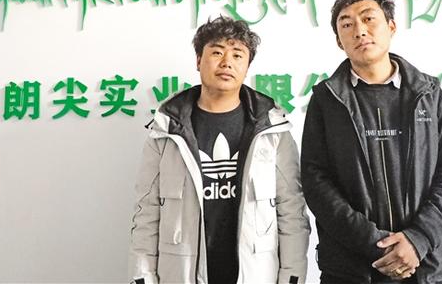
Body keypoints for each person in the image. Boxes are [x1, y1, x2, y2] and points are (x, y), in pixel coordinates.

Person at [129, 15, 310, 284]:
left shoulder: (272, 131)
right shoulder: (166, 130)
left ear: (247, 66)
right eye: (216, 52)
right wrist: (142, 277)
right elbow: (146, 214)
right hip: (181, 275)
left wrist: (292, 278)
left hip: (255, 275)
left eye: (237, 55)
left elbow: (292, 213)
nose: (227, 62)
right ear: (198, 60)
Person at [301, 0, 442, 284]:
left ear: (391, 27)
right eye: (347, 25)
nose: (360, 31)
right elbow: (316, 182)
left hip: (428, 265)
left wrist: (418, 239)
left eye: (368, 19)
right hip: (353, 271)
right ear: (339, 41)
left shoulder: (428, 94)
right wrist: (376, 245)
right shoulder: (326, 100)